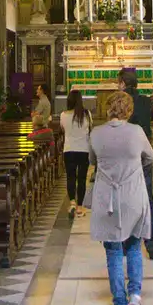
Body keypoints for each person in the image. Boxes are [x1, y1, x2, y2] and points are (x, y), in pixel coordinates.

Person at [90, 90, 153, 305]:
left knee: (114, 250)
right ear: (129, 110)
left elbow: (92, 160)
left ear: (108, 109)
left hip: (108, 197)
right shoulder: (136, 132)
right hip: (134, 195)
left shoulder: (97, 133)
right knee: (135, 246)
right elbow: (150, 157)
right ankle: (135, 295)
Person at [119, 67, 153, 259]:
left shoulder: (120, 101)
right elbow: (152, 117)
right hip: (144, 153)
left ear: (122, 84)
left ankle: (127, 243)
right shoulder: (145, 100)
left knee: (126, 198)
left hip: (127, 155)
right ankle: (151, 244)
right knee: (147, 198)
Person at [61, 88, 93, 216]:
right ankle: (80, 207)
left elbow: (63, 130)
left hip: (69, 149)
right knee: (81, 178)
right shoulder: (87, 114)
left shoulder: (63, 115)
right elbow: (90, 129)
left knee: (70, 176)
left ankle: (72, 203)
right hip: (83, 149)